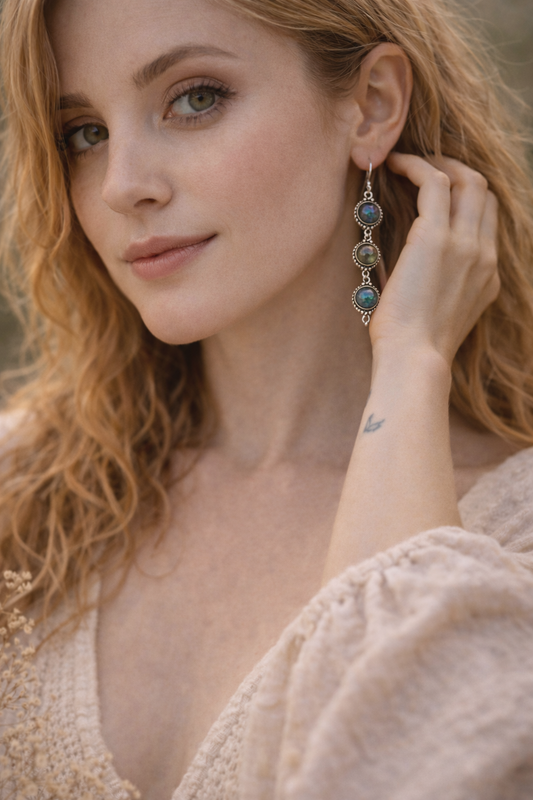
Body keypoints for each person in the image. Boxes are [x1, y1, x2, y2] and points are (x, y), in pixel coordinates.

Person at [1, 0, 533, 796]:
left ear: (372, 105)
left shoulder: (513, 536)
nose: (121, 186)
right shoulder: (22, 489)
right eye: (85, 132)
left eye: (195, 98)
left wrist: (411, 363)